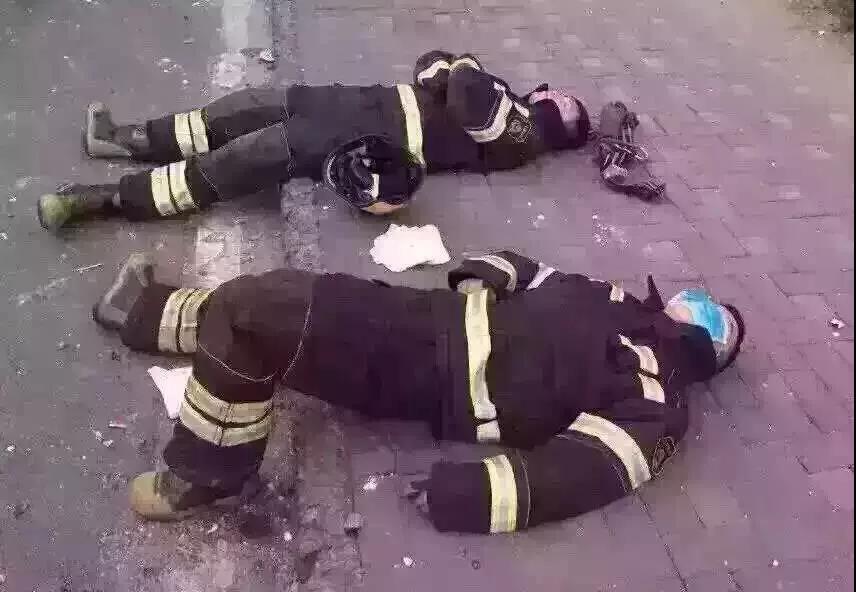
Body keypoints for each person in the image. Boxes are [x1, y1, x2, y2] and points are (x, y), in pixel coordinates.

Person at [93, 249, 743, 533]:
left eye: (712, 314)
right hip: (427, 318)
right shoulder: (620, 301)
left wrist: (467, 495)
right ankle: (146, 315)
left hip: (430, 372)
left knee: (255, 311)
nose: (695, 300)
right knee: (273, 302)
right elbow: (539, 275)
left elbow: (592, 469)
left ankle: (206, 473)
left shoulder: (660, 397)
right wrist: (485, 273)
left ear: (709, 343)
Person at [37, 51, 593, 231]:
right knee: (243, 107)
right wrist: (451, 73)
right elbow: (430, 64)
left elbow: (464, 93)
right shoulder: (510, 100)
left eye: (569, 101)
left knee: (249, 156)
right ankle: (125, 140)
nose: (560, 92)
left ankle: (109, 200)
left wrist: (462, 66)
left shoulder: (525, 133)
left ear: (564, 121)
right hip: (365, 102)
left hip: (380, 133)